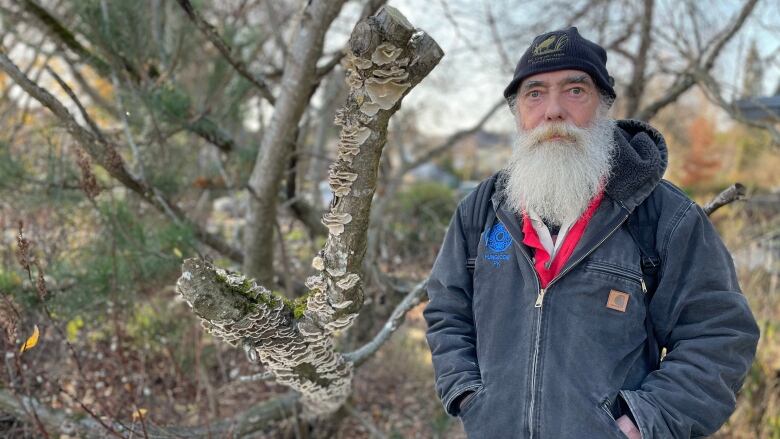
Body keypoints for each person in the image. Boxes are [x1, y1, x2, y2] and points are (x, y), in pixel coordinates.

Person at [423, 26, 760, 439]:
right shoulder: (482, 210)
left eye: (575, 90)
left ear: (604, 105)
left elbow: (719, 334)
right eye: (535, 93)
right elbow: (447, 309)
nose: (553, 111)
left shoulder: (663, 216)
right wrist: (467, 395)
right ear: (518, 113)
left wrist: (643, 422)